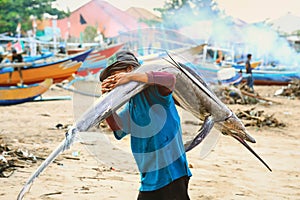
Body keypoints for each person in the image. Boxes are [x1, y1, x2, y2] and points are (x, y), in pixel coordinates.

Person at [100, 51, 192, 200]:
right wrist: (107, 102)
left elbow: (170, 79)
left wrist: (130, 78)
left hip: (171, 175)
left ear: (130, 69)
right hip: (149, 179)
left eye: (115, 75)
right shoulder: (132, 104)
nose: (113, 80)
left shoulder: (155, 91)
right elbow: (118, 128)